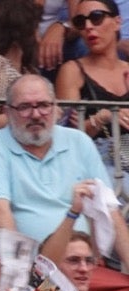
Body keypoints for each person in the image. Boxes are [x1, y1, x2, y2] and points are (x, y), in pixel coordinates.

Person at [0, 75, 129, 291]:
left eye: (43, 105)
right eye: (25, 107)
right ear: (9, 111)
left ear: (56, 107)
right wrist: (26, 281)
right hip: (23, 266)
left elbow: (111, 214)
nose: (36, 114)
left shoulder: (78, 142)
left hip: (79, 266)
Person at [53, 0, 129, 190]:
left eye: (96, 17)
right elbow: (65, 136)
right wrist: (102, 117)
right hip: (97, 166)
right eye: (80, 22)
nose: (88, 27)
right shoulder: (73, 70)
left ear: (117, 22)